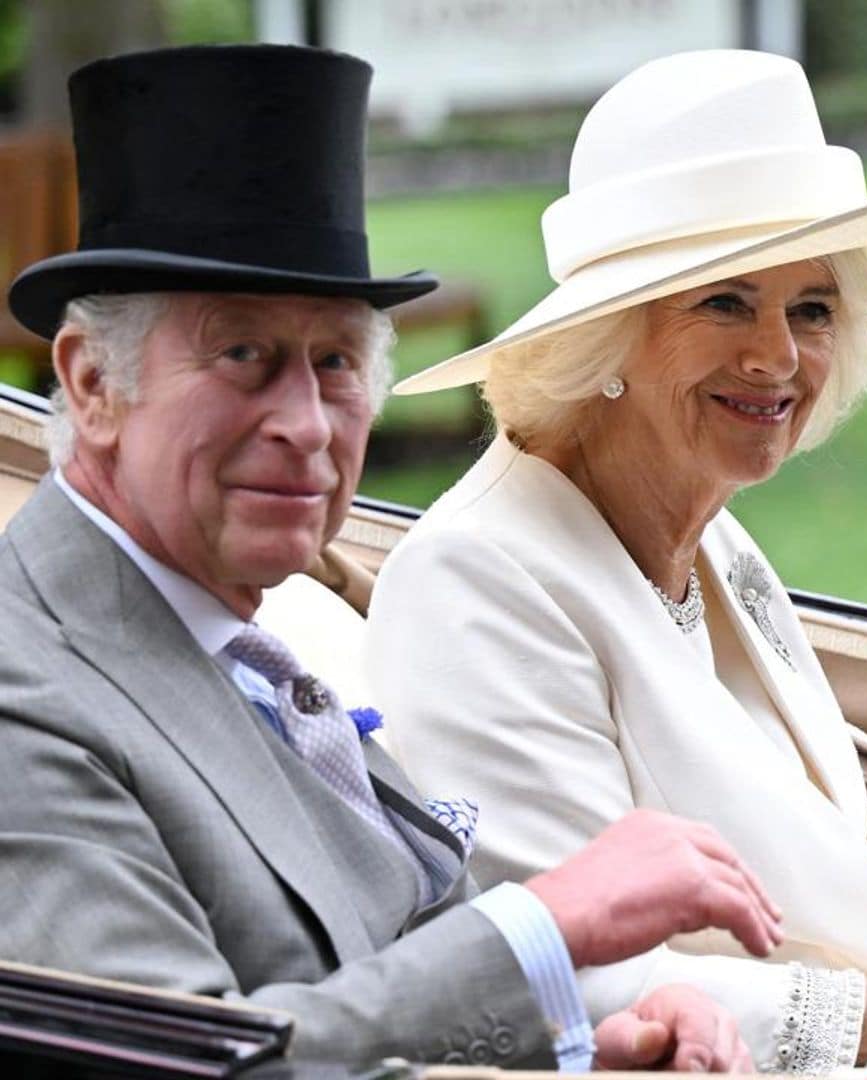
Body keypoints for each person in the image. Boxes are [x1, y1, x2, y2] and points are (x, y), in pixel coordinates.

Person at [0, 44, 783, 1074]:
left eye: (335, 365)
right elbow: (189, 1061)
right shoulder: (31, 693)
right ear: (92, 382)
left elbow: (378, 965)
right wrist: (543, 925)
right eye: (243, 356)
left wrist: (590, 1039)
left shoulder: (233, 641)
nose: (307, 426)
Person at [368, 49, 867, 1073]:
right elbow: (574, 977)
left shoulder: (710, 535)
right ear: (607, 340)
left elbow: (825, 904)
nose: (778, 358)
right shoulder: (477, 580)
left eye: (812, 308)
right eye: (725, 303)